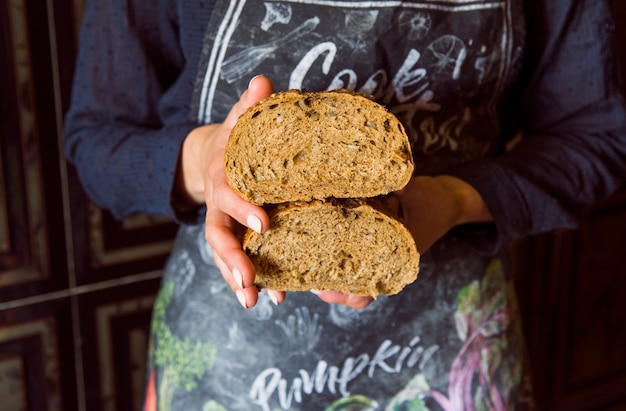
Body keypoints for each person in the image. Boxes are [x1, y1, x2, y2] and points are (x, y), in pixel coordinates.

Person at [64, 0, 626, 409]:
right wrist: (212, 155)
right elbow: (97, 138)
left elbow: (596, 136)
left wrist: (450, 200)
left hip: (449, 351)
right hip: (229, 358)